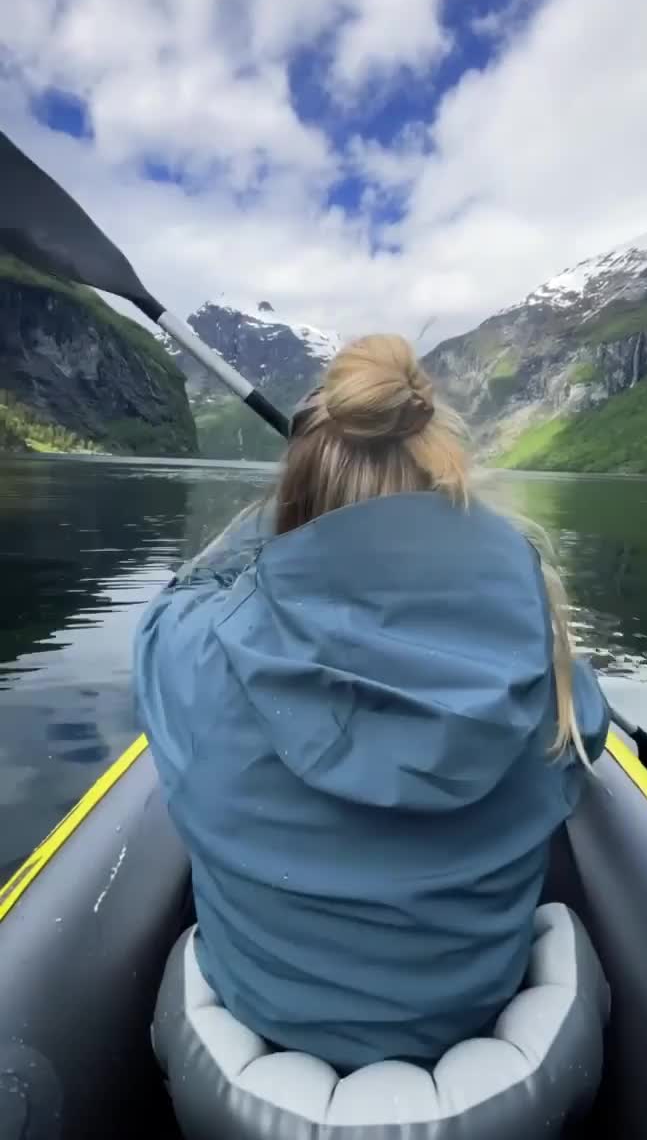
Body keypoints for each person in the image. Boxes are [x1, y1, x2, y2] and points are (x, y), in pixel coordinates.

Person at [133, 333, 610, 1073]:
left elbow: (175, 604)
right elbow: (590, 710)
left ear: (295, 501)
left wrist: (280, 510)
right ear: (453, 502)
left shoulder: (192, 655)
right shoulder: (548, 686)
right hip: (469, 1019)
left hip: (265, 1019)